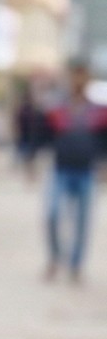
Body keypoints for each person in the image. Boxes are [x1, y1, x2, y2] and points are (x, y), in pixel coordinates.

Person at [43, 62, 107, 283]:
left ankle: (76, 264)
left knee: (82, 222)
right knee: (52, 214)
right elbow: (45, 134)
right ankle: (55, 257)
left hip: (86, 172)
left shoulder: (99, 112)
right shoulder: (58, 110)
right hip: (60, 170)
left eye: (82, 77)